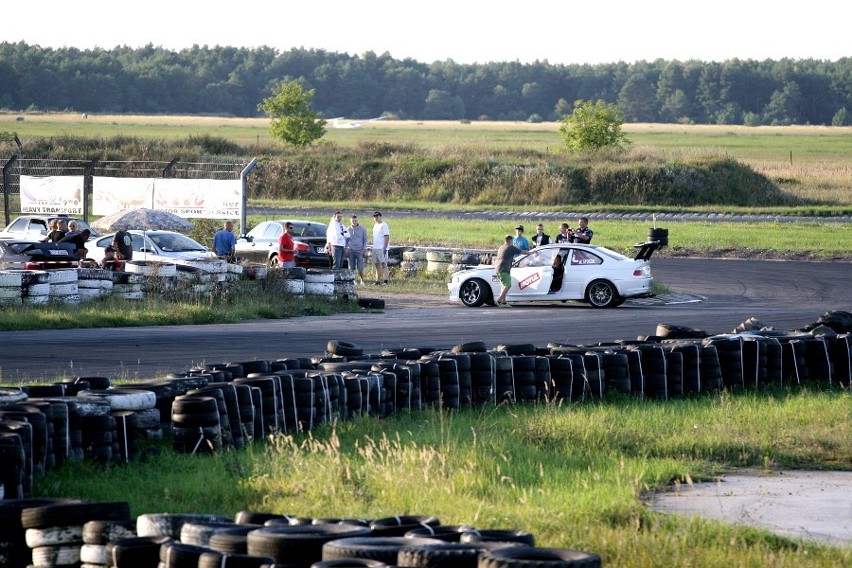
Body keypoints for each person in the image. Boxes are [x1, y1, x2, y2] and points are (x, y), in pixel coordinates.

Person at [494, 234, 522, 307]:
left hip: (498, 268)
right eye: (512, 240)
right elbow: (522, 252)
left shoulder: (501, 247)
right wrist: (532, 253)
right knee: (508, 285)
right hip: (504, 269)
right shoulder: (510, 247)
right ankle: (499, 300)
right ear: (510, 240)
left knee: (503, 285)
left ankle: (503, 302)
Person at [345, 214, 368, 285]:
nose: (354, 222)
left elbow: (365, 240)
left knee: (360, 267)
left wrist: (363, 249)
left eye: (355, 220)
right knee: (351, 267)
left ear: (357, 220)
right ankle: (353, 280)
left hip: (359, 251)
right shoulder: (348, 229)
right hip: (351, 251)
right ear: (350, 221)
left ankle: (362, 280)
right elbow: (346, 240)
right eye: (352, 220)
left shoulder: (363, 229)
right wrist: (346, 247)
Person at [371, 211, 390, 285]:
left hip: (381, 247)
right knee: (377, 265)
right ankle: (377, 281)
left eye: (377, 216)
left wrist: (384, 248)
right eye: (375, 217)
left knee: (383, 264)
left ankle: (385, 281)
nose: (376, 218)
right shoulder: (375, 225)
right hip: (375, 247)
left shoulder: (384, 225)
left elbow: (386, 237)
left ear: (380, 217)